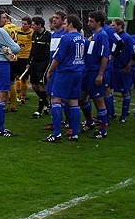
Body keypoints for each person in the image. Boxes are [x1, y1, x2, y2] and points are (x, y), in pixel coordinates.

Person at [44, 14, 86, 143]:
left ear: (71, 25)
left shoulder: (66, 38)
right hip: (78, 72)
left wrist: (50, 71)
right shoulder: (83, 39)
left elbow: (58, 57)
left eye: (65, 23)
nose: (64, 26)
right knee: (74, 102)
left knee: (56, 99)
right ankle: (74, 133)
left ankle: (56, 134)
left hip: (65, 72)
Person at [80, 10, 111, 139]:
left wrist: (100, 74)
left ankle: (103, 130)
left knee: (99, 101)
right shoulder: (94, 35)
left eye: (91, 21)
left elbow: (105, 56)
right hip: (87, 72)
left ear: (98, 22)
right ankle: (89, 121)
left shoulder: (102, 35)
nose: (88, 23)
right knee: (82, 98)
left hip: (94, 72)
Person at [110, 19, 135, 123]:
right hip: (113, 68)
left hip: (122, 69)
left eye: (113, 25)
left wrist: (128, 65)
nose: (111, 27)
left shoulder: (127, 38)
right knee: (109, 90)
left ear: (120, 26)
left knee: (125, 92)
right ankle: (111, 113)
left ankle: (123, 115)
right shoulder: (113, 37)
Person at [28, 16, 51, 118]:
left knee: (41, 85)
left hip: (43, 63)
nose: (31, 26)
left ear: (39, 25)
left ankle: (39, 110)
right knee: (34, 85)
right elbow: (32, 49)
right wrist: (29, 62)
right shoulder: (34, 34)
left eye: (33, 25)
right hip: (34, 62)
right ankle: (47, 103)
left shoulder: (48, 36)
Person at [11, 16, 33, 107]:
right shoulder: (17, 31)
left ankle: (23, 96)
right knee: (16, 77)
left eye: (25, 24)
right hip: (17, 57)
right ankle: (17, 95)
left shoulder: (32, 33)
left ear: (29, 25)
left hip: (26, 57)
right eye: (22, 23)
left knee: (24, 78)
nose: (23, 25)